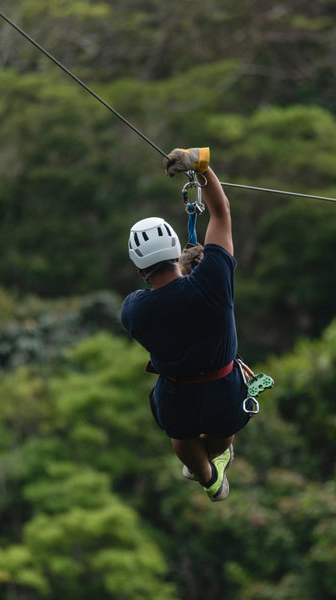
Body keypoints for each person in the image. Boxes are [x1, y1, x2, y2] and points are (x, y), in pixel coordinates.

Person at [120, 147, 249, 502]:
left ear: (139, 269)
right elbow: (221, 213)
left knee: (183, 441)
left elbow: (168, 306)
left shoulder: (134, 311)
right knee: (222, 437)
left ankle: (209, 478)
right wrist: (201, 166)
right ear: (178, 250)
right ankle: (214, 463)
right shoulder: (214, 280)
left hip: (178, 399)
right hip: (224, 391)